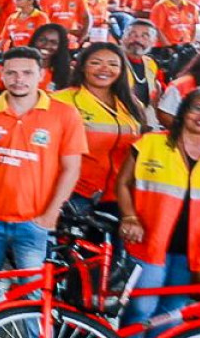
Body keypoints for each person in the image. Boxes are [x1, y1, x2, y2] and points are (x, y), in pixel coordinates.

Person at [0, 47, 86, 306]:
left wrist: (50, 214)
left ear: (41, 75)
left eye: (27, 73)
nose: (19, 79)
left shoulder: (64, 114)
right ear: (1, 76)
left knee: (32, 291)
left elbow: (71, 168)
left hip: (35, 220)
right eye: (12, 73)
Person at [115, 87, 200, 338]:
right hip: (149, 239)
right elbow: (123, 182)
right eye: (199, 109)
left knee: (173, 310)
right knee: (141, 305)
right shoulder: (151, 143)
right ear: (184, 111)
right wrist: (129, 217)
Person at [54, 43, 146, 217]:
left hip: (117, 195)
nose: (105, 69)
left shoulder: (133, 105)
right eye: (96, 63)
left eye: (113, 64)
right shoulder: (61, 101)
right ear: (82, 67)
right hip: (74, 194)